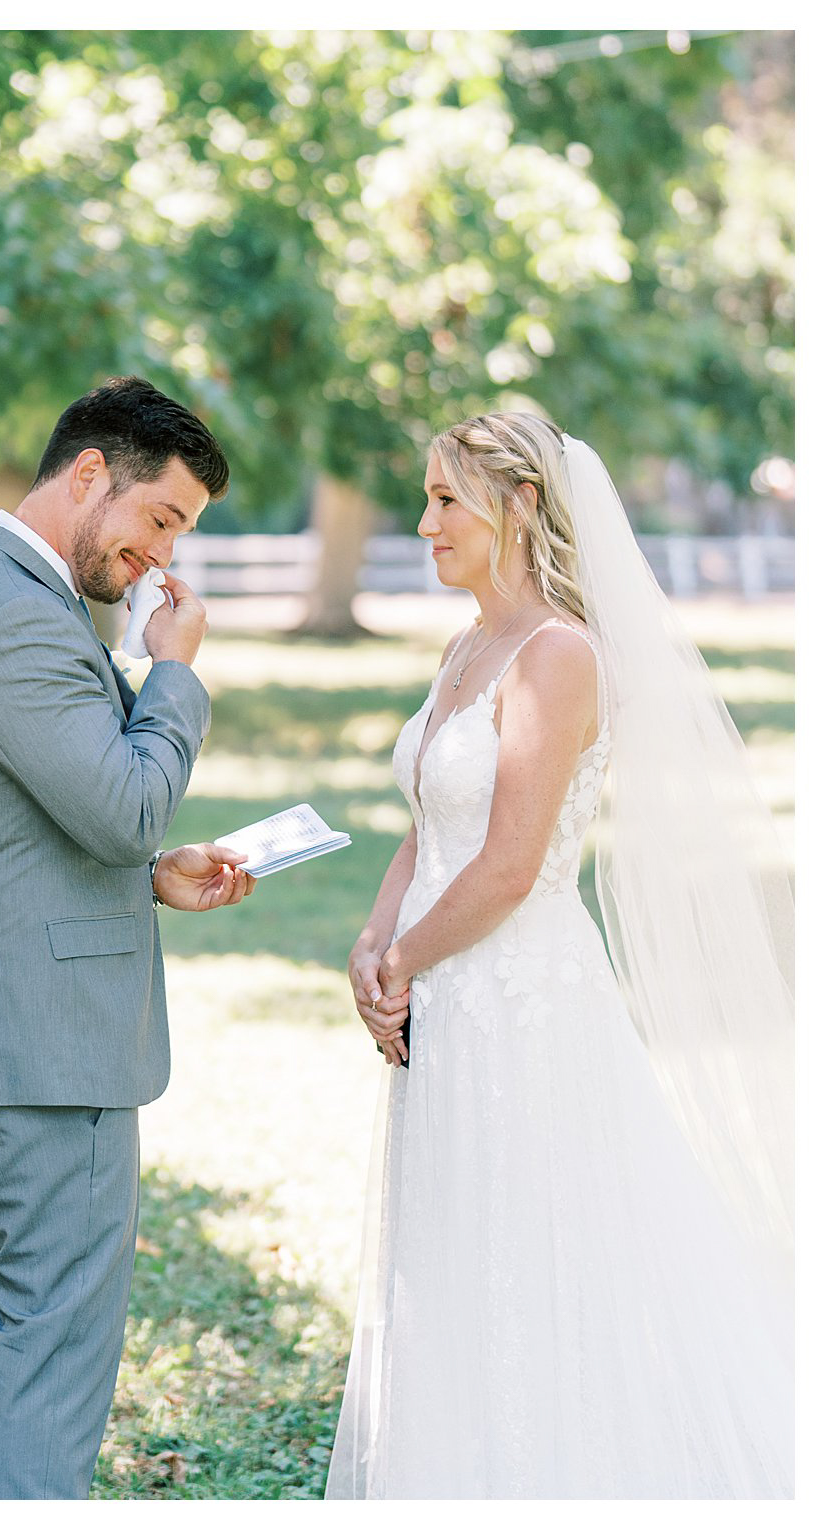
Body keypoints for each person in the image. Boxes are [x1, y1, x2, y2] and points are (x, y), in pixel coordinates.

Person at [329, 412, 794, 1497]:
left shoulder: (557, 657)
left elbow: (505, 863)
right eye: (427, 498)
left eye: (445, 499)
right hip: (445, 985)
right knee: (451, 1248)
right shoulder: (465, 648)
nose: (422, 521)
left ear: (519, 504)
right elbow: (424, 826)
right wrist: (368, 940)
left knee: (536, 1249)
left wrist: (398, 965)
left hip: (518, 992)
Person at [0, 376, 256, 1499]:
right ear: (89, 472)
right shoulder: (14, 612)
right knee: (50, 1346)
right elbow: (123, 802)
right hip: (46, 1054)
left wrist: (146, 878)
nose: (158, 557)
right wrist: (176, 672)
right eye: (161, 519)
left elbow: (31, 821)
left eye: (178, 535)